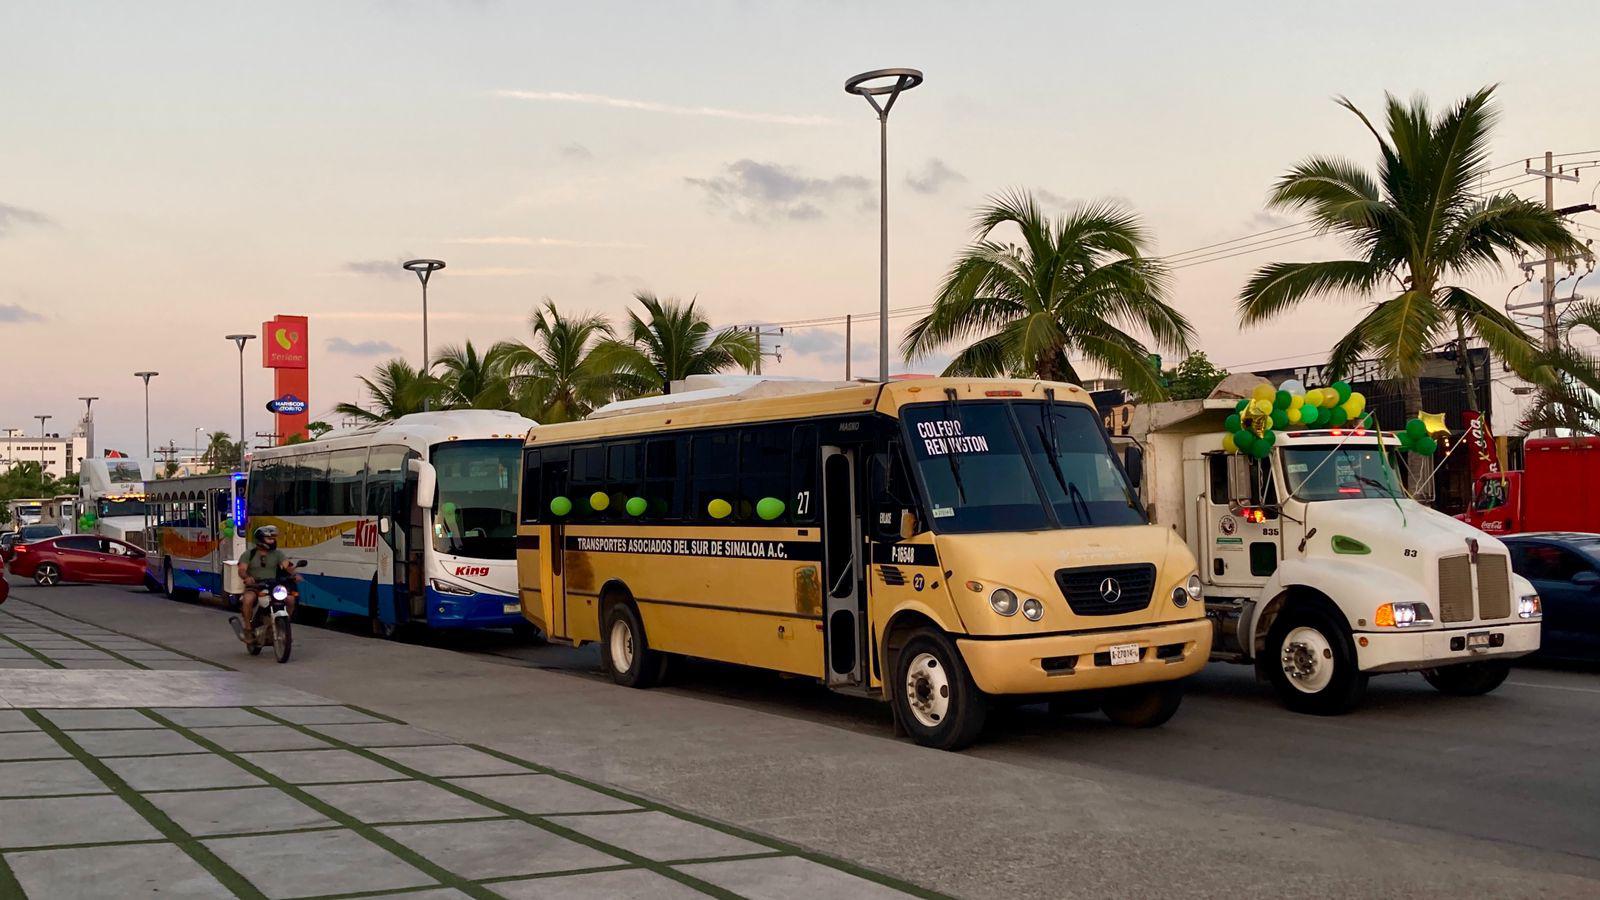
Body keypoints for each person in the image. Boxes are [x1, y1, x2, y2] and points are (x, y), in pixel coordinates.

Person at [237, 525, 296, 642]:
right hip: (255, 586)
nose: (272, 541)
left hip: (273, 585)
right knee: (248, 600)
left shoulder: (277, 554)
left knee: (290, 599)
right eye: (269, 539)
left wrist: (293, 573)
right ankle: (248, 630)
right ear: (260, 539)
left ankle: (284, 626)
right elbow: (242, 570)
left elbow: (287, 565)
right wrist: (247, 577)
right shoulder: (249, 554)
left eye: (273, 538)